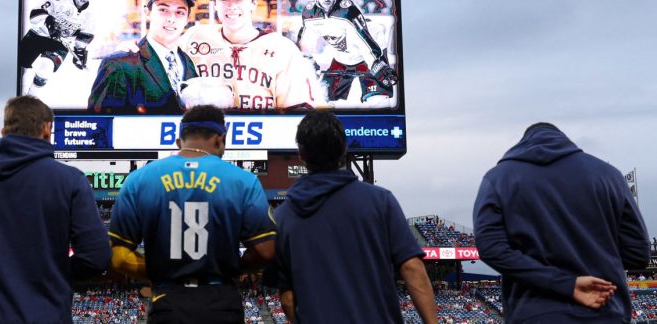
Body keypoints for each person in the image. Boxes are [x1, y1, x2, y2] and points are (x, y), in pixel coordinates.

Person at [0, 96, 111, 323]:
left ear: (3, 132)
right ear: (47, 130)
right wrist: (54, 272)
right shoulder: (70, 180)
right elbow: (96, 257)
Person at [108, 104, 276, 323]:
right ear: (219, 140)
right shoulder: (244, 181)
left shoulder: (138, 180)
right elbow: (266, 251)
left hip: (168, 302)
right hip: (221, 301)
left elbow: (118, 257)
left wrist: (158, 272)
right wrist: (233, 267)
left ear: (179, 142)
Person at [473, 122, 650, 323]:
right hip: (604, 309)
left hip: (534, 312)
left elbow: (490, 248)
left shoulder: (498, 178)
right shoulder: (609, 175)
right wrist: (594, 256)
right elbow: (638, 254)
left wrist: (560, 281)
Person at [274, 109, 437, 323]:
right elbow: (412, 267)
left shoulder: (282, 217)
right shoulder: (381, 201)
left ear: (301, 154)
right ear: (344, 148)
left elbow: (287, 298)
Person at [182, 0, 320, 110]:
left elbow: (297, 109)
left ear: (253, 4)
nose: (232, 5)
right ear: (215, 4)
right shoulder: (194, 37)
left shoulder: (283, 48)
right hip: (207, 128)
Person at [88, 0, 198, 113]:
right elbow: (99, 126)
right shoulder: (118, 64)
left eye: (180, 12)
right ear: (148, 12)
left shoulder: (188, 62)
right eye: (163, 10)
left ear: (187, 19)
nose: (171, 18)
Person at [296, 0, 398, 105]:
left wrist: (376, 64)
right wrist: (308, 62)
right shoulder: (310, 14)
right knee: (324, 99)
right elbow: (305, 44)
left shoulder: (346, 10)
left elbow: (364, 40)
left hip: (370, 53)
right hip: (342, 58)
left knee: (378, 101)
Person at [20, 0, 96, 94]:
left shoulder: (90, 14)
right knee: (18, 68)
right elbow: (34, 15)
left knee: (46, 68)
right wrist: (48, 20)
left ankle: (30, 98)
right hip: (38, 36)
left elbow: (85, 35)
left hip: (60, 45)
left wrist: (79, 51)